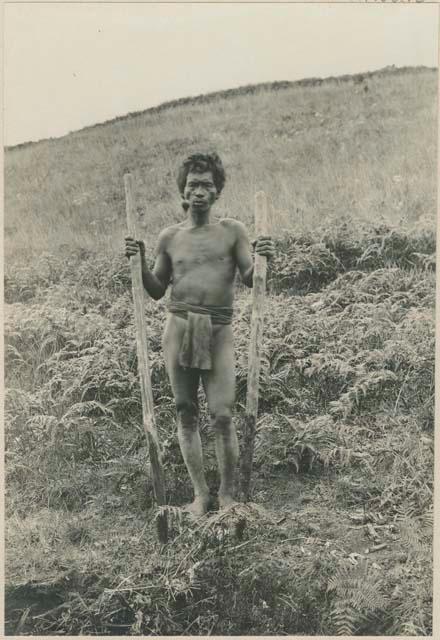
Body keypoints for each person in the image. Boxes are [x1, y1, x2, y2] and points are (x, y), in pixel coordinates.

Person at [125, 152, 275, 517]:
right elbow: (158, 288)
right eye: (193, 184)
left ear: (217, 190)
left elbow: (252, 277)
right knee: (185, 411)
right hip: (179, 327)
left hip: (219, 328)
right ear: (183, 191)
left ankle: (226, 495)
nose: (199, 191)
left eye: (207, 184)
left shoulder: (232, 232)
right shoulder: (170, 237)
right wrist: (140, 261)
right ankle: (200, 496)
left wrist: (266, 258)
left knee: (222, 414)